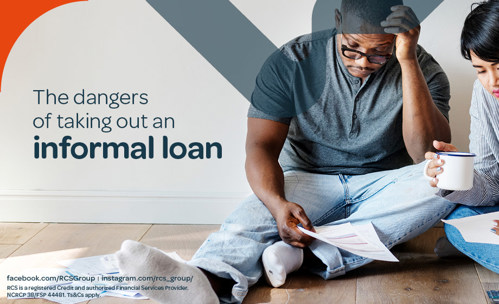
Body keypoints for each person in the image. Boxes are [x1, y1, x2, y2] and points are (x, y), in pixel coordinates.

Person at [115, 1, 456, 303]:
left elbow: (424, 153)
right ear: (337, 21)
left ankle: (304, 257)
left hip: (383, 184)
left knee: (446, 182)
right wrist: (278, 205)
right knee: (248, 220)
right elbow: (260, 146)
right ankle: (205, 280)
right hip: (306, 178)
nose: (363, 62)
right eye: (351, 48)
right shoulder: (292, 61)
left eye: (379, 52)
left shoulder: (423, 68)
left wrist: (406, 60)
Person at [424, 0, 499, 274]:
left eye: (498, 65)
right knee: (460, 221)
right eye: (481, 70)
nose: (491, 81)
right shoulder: (486, 95)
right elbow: (492, 186)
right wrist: (459, 176)